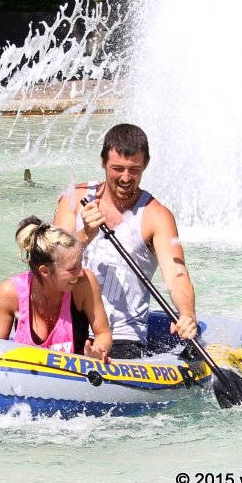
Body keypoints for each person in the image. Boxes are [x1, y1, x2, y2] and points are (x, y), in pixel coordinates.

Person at [53, 123, 198, 359]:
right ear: (102, 162)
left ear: (146, 165)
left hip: (123, 336)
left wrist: (187, 314)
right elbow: (51, 265)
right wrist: (85, 235)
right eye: (117, 169)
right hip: (68, 322)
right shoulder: (75, 199)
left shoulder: (156, 216)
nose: (126, 178)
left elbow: (176, 273)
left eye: (135, 170)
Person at [0, 216, 113, 360]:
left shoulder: (84, 283)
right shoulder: (10, 292)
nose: (80, 272)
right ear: (45, 271)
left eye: (80, 263)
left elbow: (103, 333)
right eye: (72, 269)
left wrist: (97, 352)